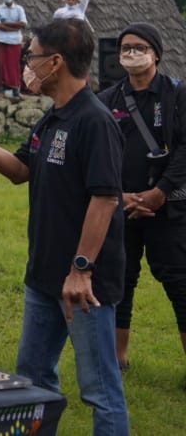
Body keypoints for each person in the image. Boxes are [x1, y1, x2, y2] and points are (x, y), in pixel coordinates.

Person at [0, 19, 128, 435]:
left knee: (100, 391)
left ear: (56, 62)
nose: (27, 64)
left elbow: (105, 198)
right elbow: (20, 169)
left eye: (32, 56)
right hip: (43, 276)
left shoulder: (94, 122)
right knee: (32, 378)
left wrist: (81, 269)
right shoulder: (54, 118)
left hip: (84, 286)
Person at [95, 23, 186, 372]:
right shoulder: (108, 99)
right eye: (125, 48)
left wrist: (160, 192)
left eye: (139, 47)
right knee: (120, 282)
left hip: (171, 204)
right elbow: (100, 153)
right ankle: (118, 359)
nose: (131, 53)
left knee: (180, 282)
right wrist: (122, 197)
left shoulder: (177, 94)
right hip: (122, 206)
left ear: (156, 53)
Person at [0, 0, 28, 97]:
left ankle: (16, 88)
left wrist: (5, 23)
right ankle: (2, 88)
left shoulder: (19, 9)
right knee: (1, 65)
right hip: (1, 40)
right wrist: (14, 27)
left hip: (15, 41)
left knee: (14, 65)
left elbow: (23, 23)